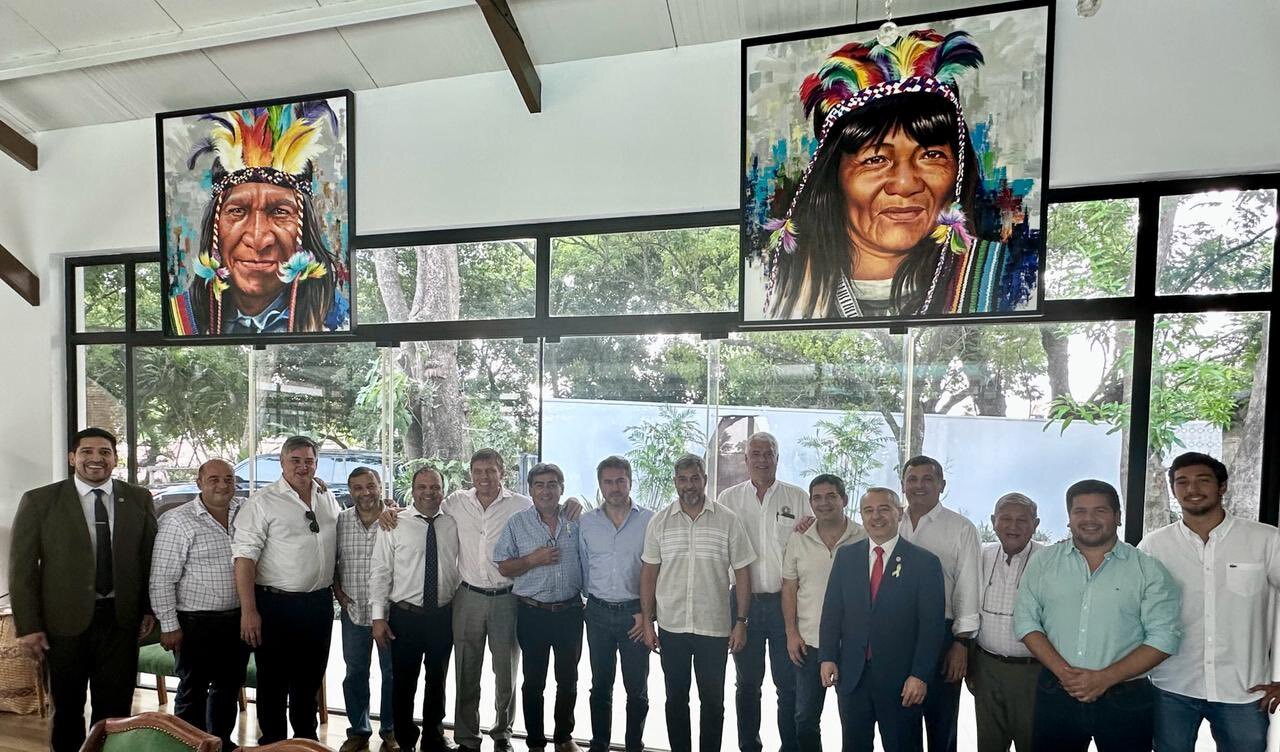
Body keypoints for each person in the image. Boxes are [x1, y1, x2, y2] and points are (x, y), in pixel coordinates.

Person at [758, 29, 1035, 319]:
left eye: (931, 155)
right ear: (833, 177)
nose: (905, 184)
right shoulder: (784, 278)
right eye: (875, 159)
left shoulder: (999, 275)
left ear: (957, 170)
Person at [10, 427, 158, 752]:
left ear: (115, 459)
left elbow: (148, 560)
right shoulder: (40, 501)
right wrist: (29, 626)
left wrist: (149, 608)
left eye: (104, 452)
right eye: (87, 451)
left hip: (120, 622)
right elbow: (22, 570)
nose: (96, 459)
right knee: (67, 710)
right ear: (72, 457)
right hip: (63, 625)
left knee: (116, 712)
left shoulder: (138, 498)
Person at [1014, 479, 1182, 751]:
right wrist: (1064, 673)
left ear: (1117, 517)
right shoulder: (1044, 562)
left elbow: (1164, 638)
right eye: (1079, 511)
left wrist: (1104, 678)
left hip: (1125, 697)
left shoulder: (1147, 569)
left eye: (1100, 511)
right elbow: (1025, 621)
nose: (1089, 519)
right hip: (1058, 690)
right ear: (1069, 518)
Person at [1139, 452, 1280, 752]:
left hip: (1245, 689)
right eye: (1182, 482)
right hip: (1172, 685)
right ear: (1174, 490)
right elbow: (1135, 608)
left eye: (1203, 480)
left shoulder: (1266, 540)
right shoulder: (1154, 545)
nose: (1192, 489)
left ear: (1222, 487)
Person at [172, 99, 350, 335]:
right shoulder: (182, 320)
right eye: (237, 211)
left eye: (280, 212)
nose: (258, 239)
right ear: (214, 227)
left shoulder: (336, 317)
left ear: (304, 229)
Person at [640, 454, 756, 752]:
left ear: (705, 480)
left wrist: (741, 622)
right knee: (675, 698)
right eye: (683, 479)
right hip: (672, 625)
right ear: (675, 482)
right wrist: (648, 621)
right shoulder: (660, 522)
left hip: (714, 627)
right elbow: (649, 574)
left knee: (713, 701)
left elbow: (743, 574)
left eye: (695, 478)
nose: (689, 485)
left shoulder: (727, 520)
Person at [231, 435, 343, 744]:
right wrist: (249, 610)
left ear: (316, 464)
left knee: (309, 678)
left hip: (319, 604)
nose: (303, 466)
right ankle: (274, 743)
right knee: (274, 681)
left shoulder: (326, 496)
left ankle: (305, 741)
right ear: (281, 463)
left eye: (309, 461)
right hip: (275, 606)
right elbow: (243, 559)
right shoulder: (262, 503)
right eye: (295, 460)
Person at [818, 487, 946, 752]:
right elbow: (832, 611)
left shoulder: (925, 563)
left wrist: (919, 675)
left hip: (902, 681)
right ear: (861, 516)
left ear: (898, 513)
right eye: (868, 510)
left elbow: (932, 628)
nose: (876, 516)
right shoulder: (847, 557)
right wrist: (828, 656)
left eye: (884, 509)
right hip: (853, 677)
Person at [716, 432, 811, 752]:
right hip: (743, 605)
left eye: (768, 453)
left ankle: (791, 747)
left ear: (777, 458)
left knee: (788, 685)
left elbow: (812, 541)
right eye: (754, 454)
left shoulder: (797, 497)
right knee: (747, 684)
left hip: (787, 604)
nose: (761, 459)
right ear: (745, 460)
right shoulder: (728, 499)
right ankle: (749, 746)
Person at [149, 458, 249, 752]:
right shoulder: (178, 520)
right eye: (214, 479)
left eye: (228, 479)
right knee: (193, 690)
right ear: (199, 483)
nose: (222, 485)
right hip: (194, 622)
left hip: (236, 619)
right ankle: (188, 746)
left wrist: (317, 488)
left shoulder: (245, 513)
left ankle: (219, 743)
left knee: (228, 687)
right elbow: (161, 578)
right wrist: (169, 626)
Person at [495, 463, 584, 752]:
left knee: (568, 679)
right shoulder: (517, 523)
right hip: (532, 613)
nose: (546, 490)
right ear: (530, 490)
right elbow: (504, 567)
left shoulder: (576, 519)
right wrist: (533, 559)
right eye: (540, 485)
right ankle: (535, 741)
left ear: (562, 488)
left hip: (570, 613)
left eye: (552, 484)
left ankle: (563, 737)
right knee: (533, 682)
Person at [371, 466, 461, 752]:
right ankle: (405, 738)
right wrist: (377, 617)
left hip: (443, 614)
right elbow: (381, 570)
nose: (428, 492)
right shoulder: (394, 522)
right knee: (404, 681)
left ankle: (434, 735)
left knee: (438, 679)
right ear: (413, 490)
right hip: (405, 615)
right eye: (422, 487)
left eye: (434, 486)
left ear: (442, 490)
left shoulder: (453, 521)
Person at [896, 456, 980, 752]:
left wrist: (961, 643)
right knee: (901, 719)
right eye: (912, 479)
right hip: (895, 635)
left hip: (944, 636)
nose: (919, 485)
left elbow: (969, 588)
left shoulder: (960, 528)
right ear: (903, 484)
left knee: (941, 721)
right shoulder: (890, 521)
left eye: (927, 479)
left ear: (941, 485)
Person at [781, 474, 866, 752]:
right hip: (809, 643)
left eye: (831, 496)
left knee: (853, 721)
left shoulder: (863, 537)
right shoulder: (799, 538)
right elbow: (790, 587)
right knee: (804, 718)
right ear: (810, 503)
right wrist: (791, 633)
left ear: (844, 499)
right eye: (817, 497)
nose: (824, 503)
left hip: (852, 645)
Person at [578, 456, 654, 752]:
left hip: (635, 615)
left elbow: (657, 570)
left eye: (620, 481)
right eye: (608, 482)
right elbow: (583, 565)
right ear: (600, 485)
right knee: (600, 686)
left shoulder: (650, 520)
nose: (615, 487)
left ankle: (634, 745)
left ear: (630, 481)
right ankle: (599, 744)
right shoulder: (586, 522)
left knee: (637, 689)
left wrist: (648, 616)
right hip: (596, 613)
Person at [969, 493, 1043, 752]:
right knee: (989, 743)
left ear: (1036, 524)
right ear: (993, 521)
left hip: (1032, 672)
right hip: (986, 667)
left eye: (1022, 520)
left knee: (1032, 741)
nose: (1013, 526)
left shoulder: (1050, 559)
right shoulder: (981, 555)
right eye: (1006, 518)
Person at [334, 467, 397, 752]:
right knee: (355, 673)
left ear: (380, 486)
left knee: (392, 674)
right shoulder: (341, 521)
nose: (365, 493)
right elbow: (329, 559)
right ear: (350, 491)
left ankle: (391, 730)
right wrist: (336, 589)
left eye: (370, 486)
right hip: (354, 611)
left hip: (389, 614)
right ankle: (358, 730)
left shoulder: (397, 519)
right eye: (358, 488)